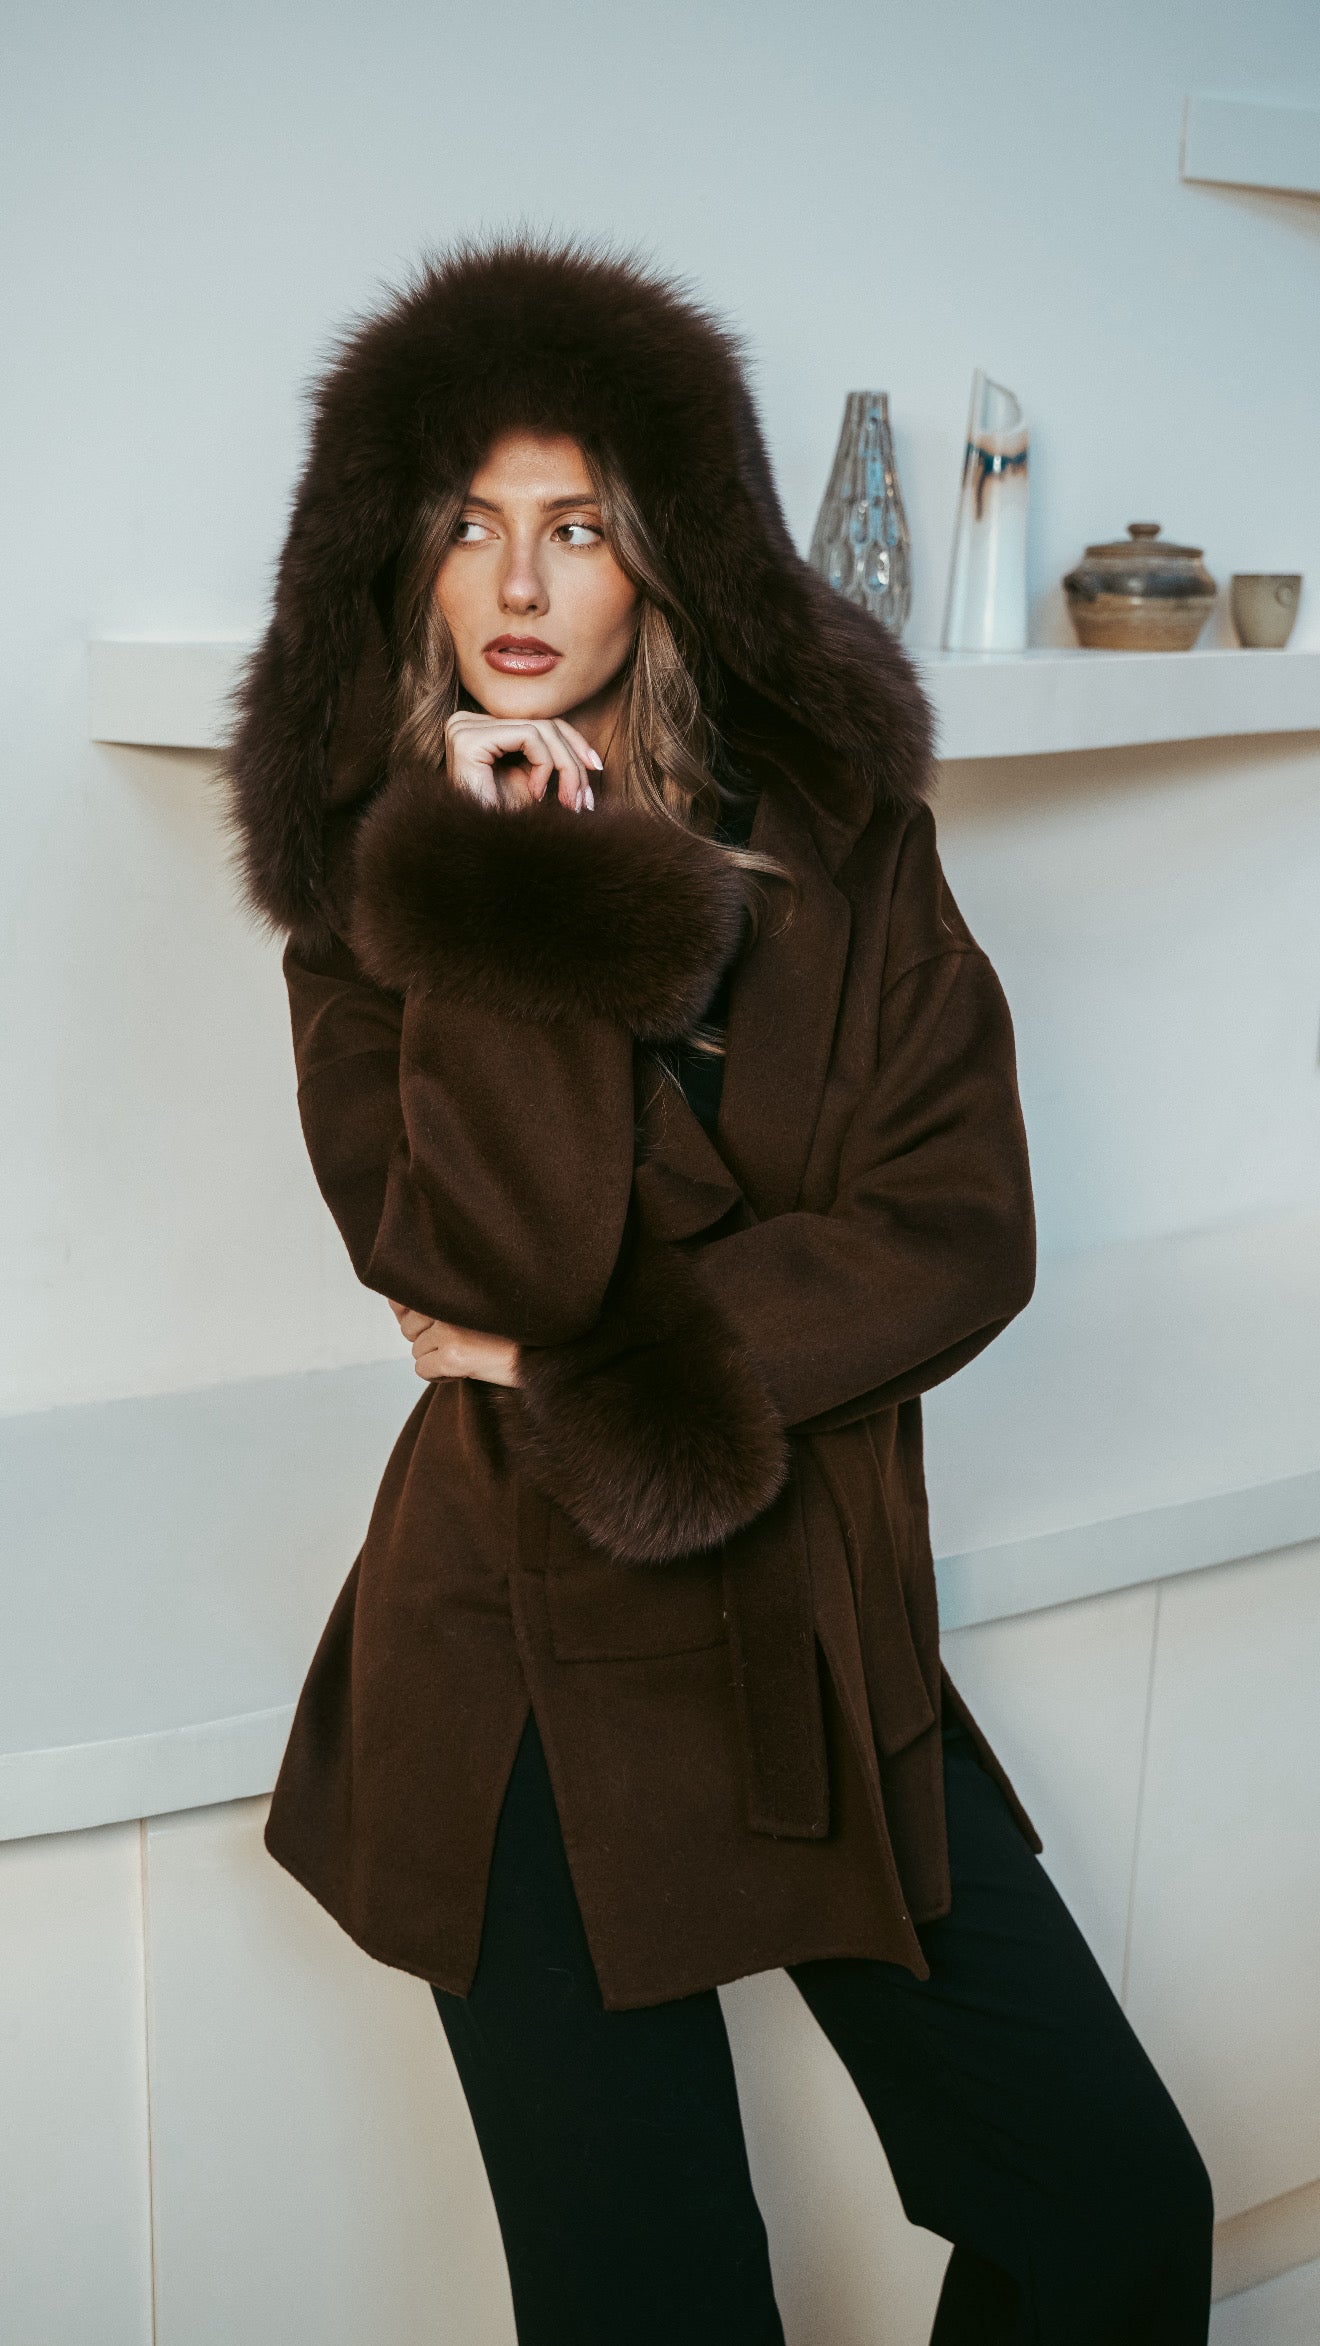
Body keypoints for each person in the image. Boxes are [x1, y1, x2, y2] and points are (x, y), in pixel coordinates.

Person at [223, 238, 1214, 2346]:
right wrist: (509, 900)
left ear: (663, 553)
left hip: (811, 1631)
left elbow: (961, 1228)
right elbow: (477, 1261)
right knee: (657, 2309)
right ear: (401, 559)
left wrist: (599, 1369)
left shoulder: (848, 839)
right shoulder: (371, 900)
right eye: (468, 523)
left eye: (577, 525)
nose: (516, 581)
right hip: (520, 1671)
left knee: (1115, 2208)